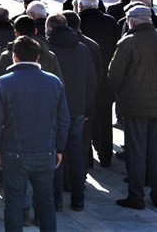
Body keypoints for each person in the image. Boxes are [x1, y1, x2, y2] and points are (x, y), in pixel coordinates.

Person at [0, 36, 69, 232]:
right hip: (46, 151)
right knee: (46, 202)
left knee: (14, 203)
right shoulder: (54, 82)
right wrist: (59, 148)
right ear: (38, 57)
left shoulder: (4, 83)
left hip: (14, 153)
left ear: (14, 57)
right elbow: (64, 119)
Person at [107, 4, 157, 210]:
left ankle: (136, 196)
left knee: (136, 152)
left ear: (131, 21)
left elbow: (114, 75)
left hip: (135, 106)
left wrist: (121, 95)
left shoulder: (128, 42)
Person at [44, 12, 96, 212]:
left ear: (49, 28)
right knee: (75, 153)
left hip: (53, 110)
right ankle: (78, 199)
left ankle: (56, 200)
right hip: (76, 108)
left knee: (55, 153)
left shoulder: (47, 50)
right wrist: (87, 105)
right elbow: (91, 80)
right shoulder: (82, 48)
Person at [74, 0, 120, 168]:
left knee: (87, 121)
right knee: (105, 119)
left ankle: (88, 160)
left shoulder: (78, 23)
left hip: (84, 81)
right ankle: (106, 155)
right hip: (106, 79)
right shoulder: (110, 21)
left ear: (80, 6)